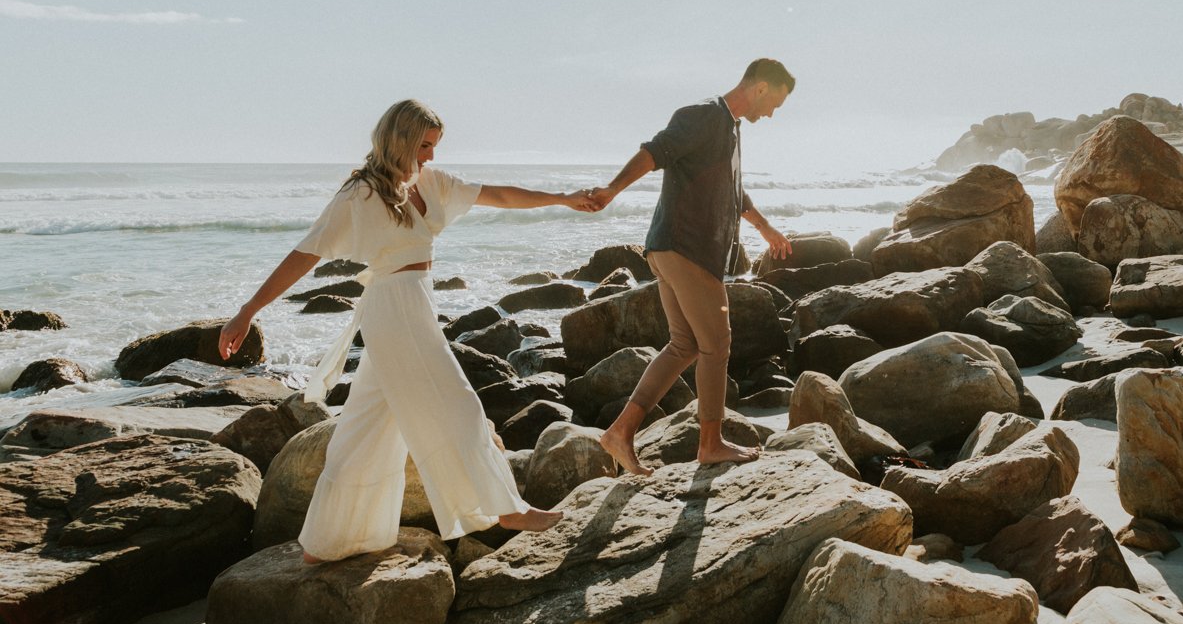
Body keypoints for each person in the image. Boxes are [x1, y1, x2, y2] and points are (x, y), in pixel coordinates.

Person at [218, 99, 597, 563]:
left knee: (367, 427)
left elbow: (496, 194)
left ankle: (325, 543)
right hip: (393, 309)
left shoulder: (427, 182)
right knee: (457, 401)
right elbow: (306, 252)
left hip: (413, 302)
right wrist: (248, 310)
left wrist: (561, 199)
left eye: (435, 146)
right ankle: (506, 509)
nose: (431, 156)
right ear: (398, 139)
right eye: (424, 145)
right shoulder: (358, 195)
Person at [591, 59, 796, 475]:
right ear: (759, 87)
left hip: (670, 249)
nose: (772, 113)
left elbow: (735, 193)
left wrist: (767, 229)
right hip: (687, 248)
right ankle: (710, 444)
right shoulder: (704, 115)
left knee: (684, 345)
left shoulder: (730, 129)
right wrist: (612, 189)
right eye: (774, 102)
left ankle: (619, 433)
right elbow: (655, 152)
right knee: (716, 344)